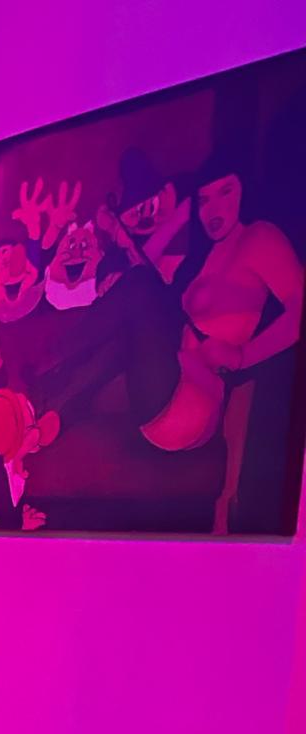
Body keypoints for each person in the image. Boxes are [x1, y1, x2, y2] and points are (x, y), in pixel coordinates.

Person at [141, 155, 304, 529]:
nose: (214, 209)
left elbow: (300, 312)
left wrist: (244, 355)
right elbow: (146, 260)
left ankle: (48, 403)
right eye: (205, 200)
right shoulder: (202, 257)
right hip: (171, 372)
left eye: (226, 192)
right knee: (137, 289)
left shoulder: (258, 237)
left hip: (192, 393)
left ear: (245, 192)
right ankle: (50, 409)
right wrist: (182, 213)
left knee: (137, 293)